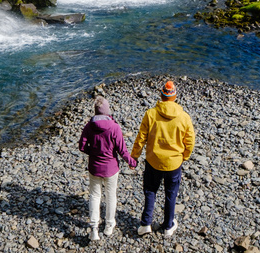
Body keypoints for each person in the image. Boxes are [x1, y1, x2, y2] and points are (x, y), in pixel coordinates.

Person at [131, 79, 195, 238]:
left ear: (161, 95)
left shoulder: (150, 114)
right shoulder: (184, 117)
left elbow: (141, 138)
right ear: (174, 97)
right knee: (171, 194)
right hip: (174, 164)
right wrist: (184, 157)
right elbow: (190, 141)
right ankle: (168, 226)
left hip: (153, 162)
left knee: (150, 191)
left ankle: (145, 224)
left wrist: (134, 157)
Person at [79, 95, 137, 241]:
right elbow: (121, 150)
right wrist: (131, 162)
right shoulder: (114, 127)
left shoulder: (89, 126)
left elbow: (82, 146)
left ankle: (94, 228)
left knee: (94, 195)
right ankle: (109, 225)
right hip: (111, 168)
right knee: (110, 196)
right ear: (107, 111)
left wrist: (92, 153)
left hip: (94, 167)